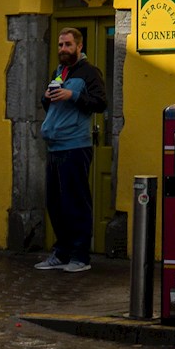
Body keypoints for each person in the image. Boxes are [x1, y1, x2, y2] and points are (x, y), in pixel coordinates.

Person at [36, 26, 109, 273]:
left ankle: (80, 256)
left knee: (75, 201)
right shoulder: (59, 71)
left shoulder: (90, 73)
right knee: (55, 203)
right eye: (60, 45)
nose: (63, 49)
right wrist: (46, 97)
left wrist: (73, 95)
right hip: (55, 145)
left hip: (76, 145)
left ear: (79, 46)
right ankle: (61, 252)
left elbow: (100, 103)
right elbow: (52, 107)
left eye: (68, 45)